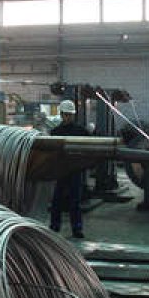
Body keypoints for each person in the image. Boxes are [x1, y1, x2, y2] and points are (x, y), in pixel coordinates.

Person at [49, 99, 87, 239]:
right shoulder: (55, 132)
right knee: (57, 201)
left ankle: (77, 228)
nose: (68, 117)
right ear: (61, 115)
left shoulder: (81, 132)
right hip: (60, 170)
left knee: (75, 201)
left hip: (74, 170)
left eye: (70, 115)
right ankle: (54, 226)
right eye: (66, 114)